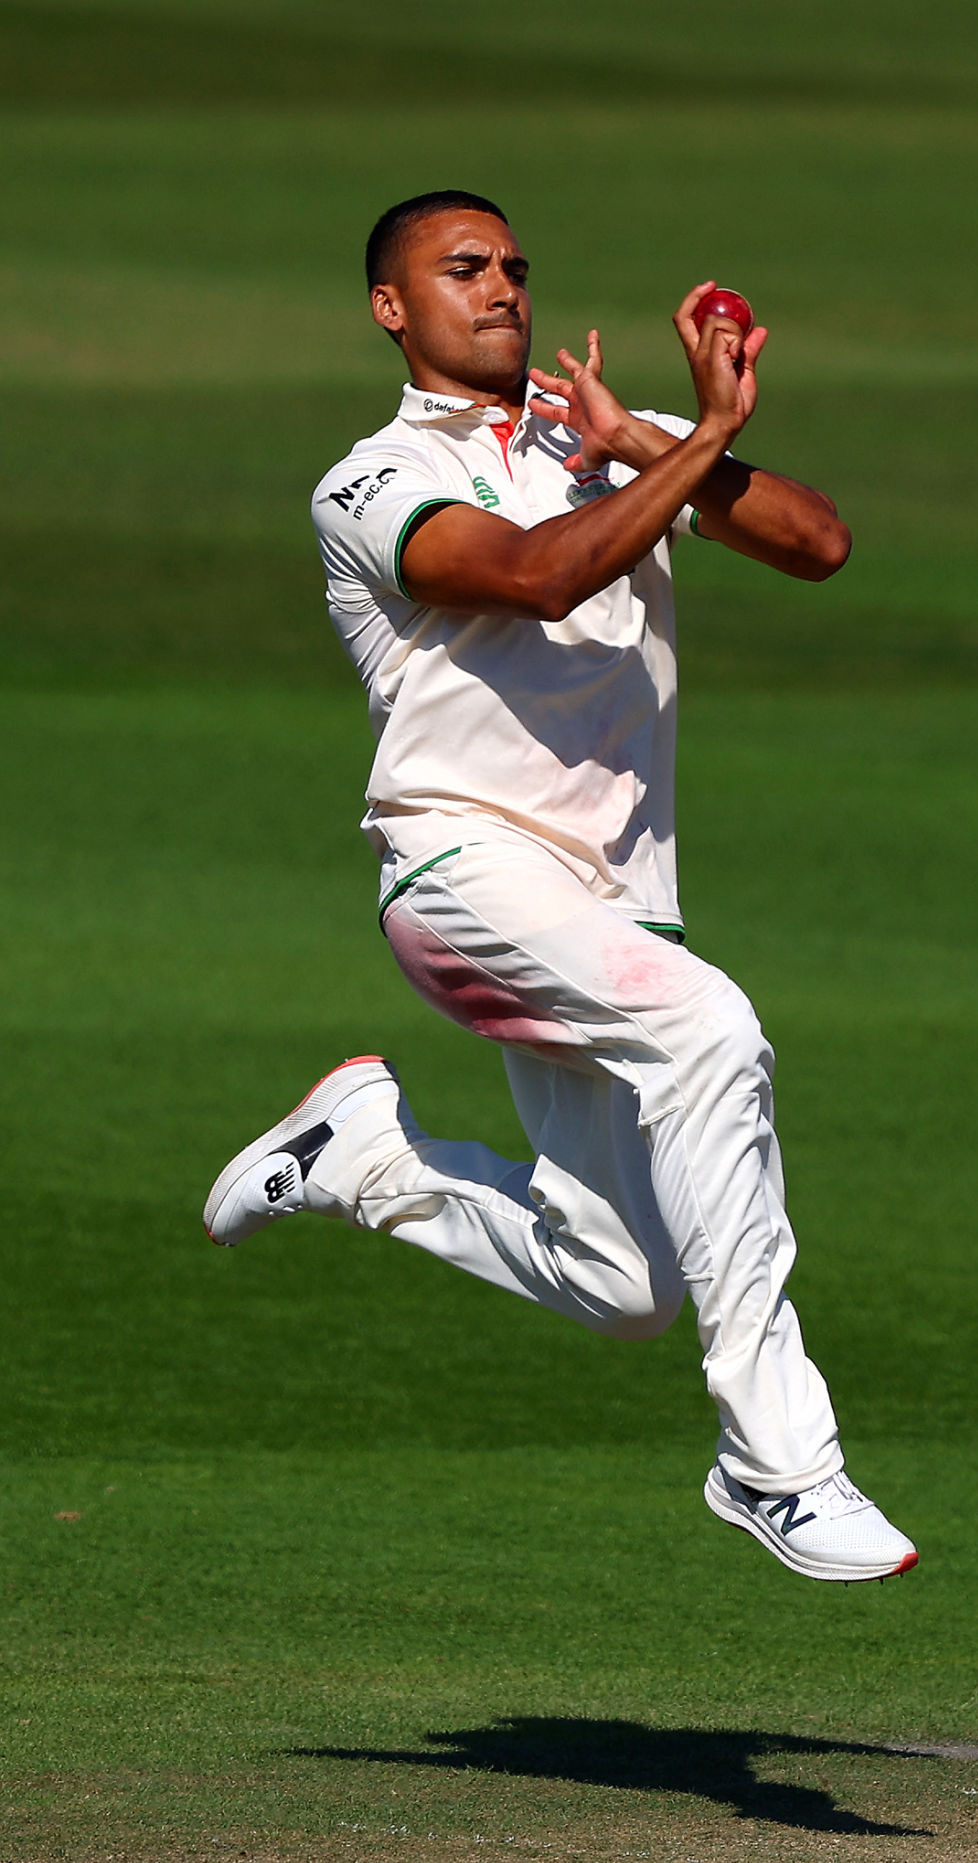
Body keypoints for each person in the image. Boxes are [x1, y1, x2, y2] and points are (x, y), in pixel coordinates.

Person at [203, 189, 917, 1585]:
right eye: (463, 269)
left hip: (612, 903)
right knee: (710, 1029)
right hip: (463, 870)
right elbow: (529, 576)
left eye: (518, 266)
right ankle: (781, 1464)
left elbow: (818, 543)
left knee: (630, 1286)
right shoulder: (369, 481)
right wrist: (695, 439)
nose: (504, 287)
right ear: (392, 310)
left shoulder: (605, 432)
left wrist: (652, 440)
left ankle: (375, 1165)